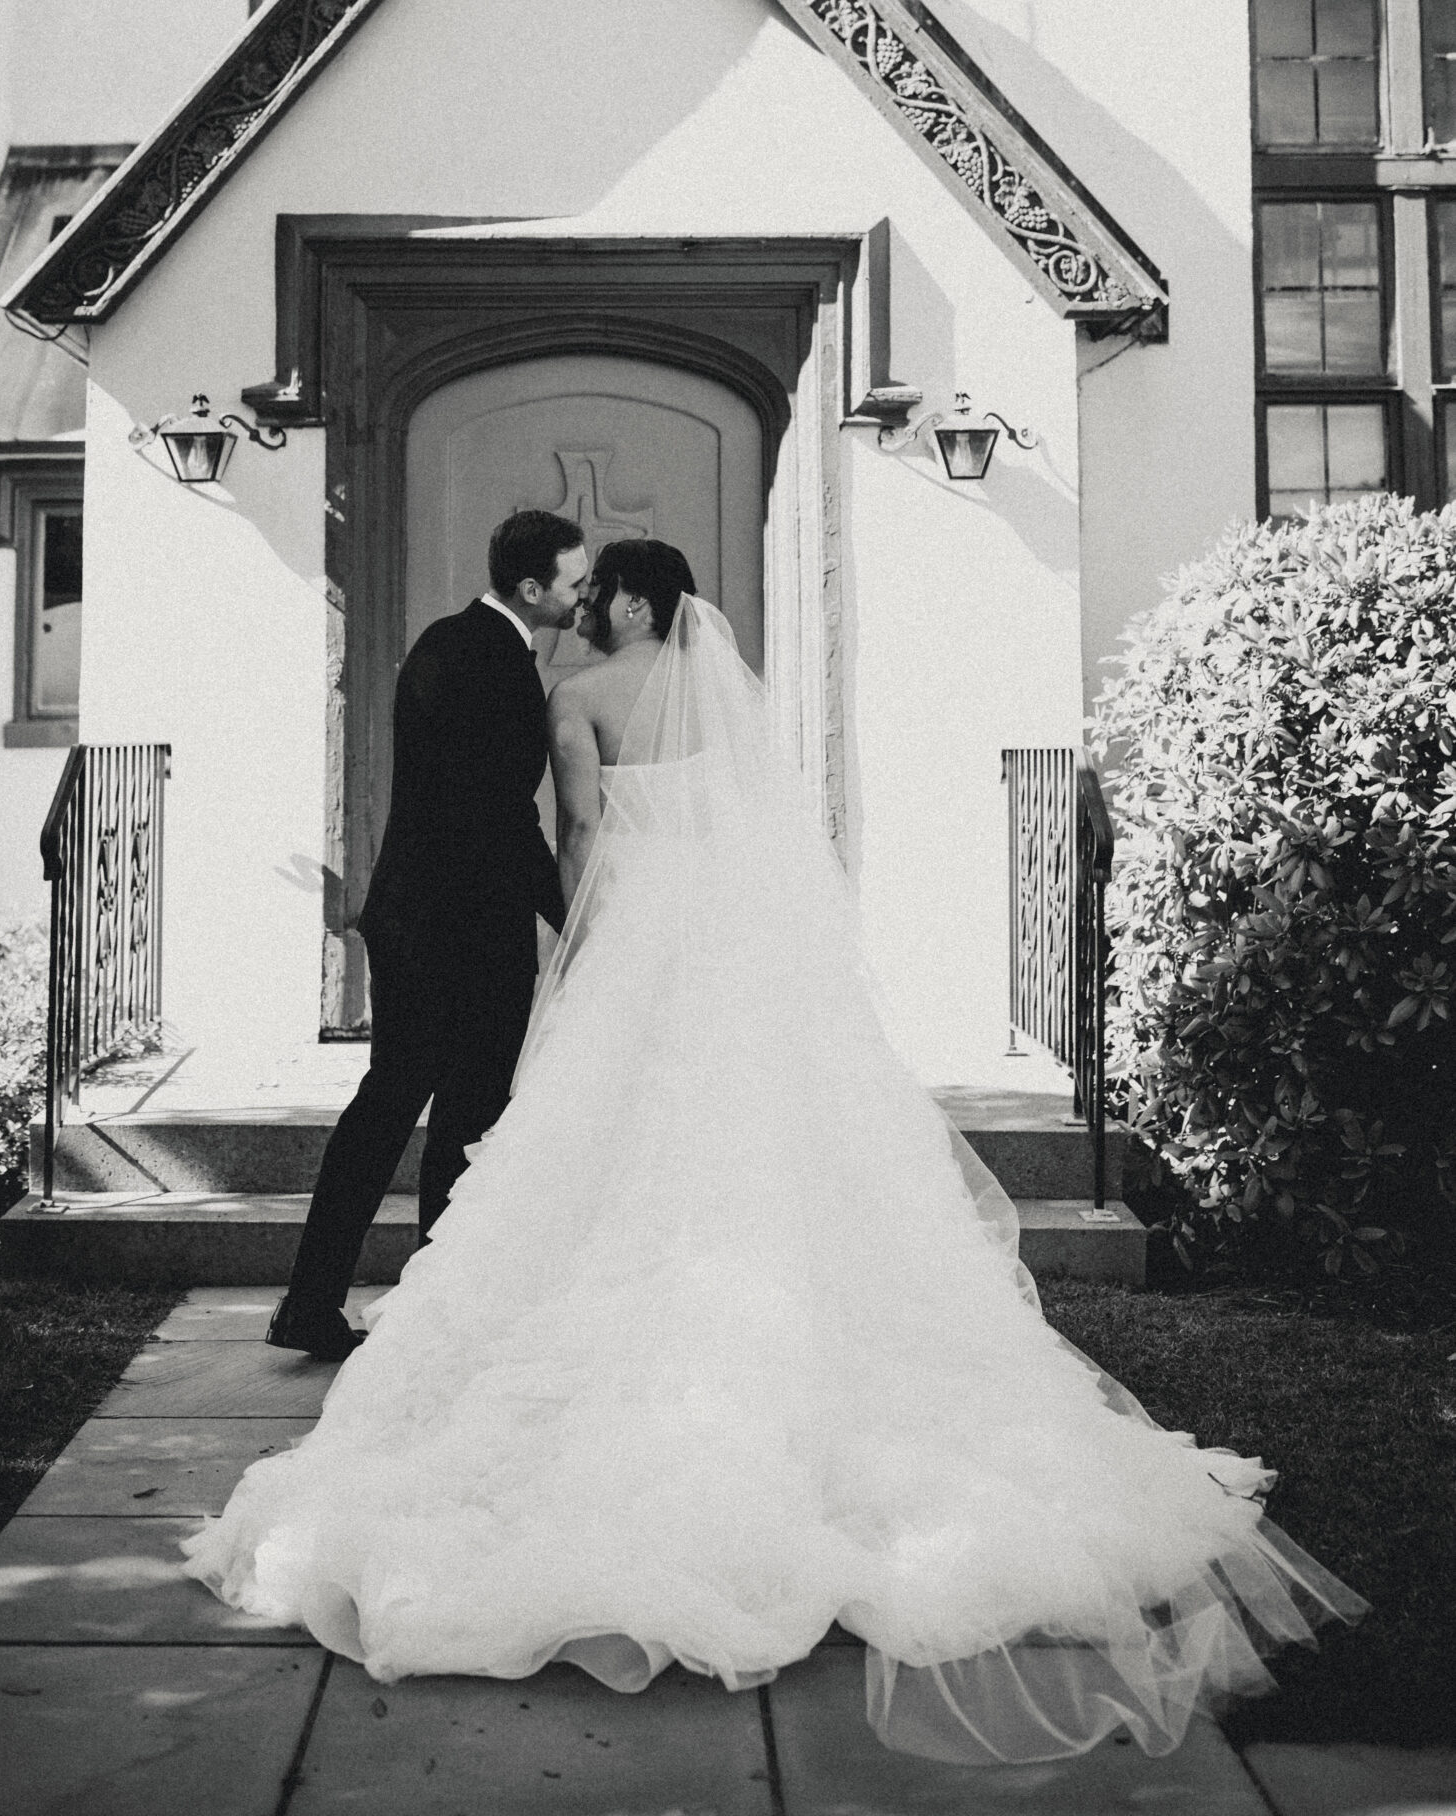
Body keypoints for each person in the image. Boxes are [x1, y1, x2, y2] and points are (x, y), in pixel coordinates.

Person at [190, 547, 1365, 1765]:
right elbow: (750, 828)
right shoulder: (724, 701)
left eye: (602, 591)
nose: (586, 605)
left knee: (591, 1141)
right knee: (745, 1125)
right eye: (574, 584)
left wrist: (578, 945)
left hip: (640, 932)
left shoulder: (579, 695)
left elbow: (586, 831)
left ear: (636, 601)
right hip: (722, 944)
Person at [263, 507, 586, 1360]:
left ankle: (315, 1302)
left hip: (415, 920)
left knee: (389, 1107)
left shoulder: (449, 643)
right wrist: (576, 914)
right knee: (463, 1117)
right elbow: (500, 814)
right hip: (464, 930)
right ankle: (434, 1317)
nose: (582, 596)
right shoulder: (495, 664)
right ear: (531, 588)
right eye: (573, 582)